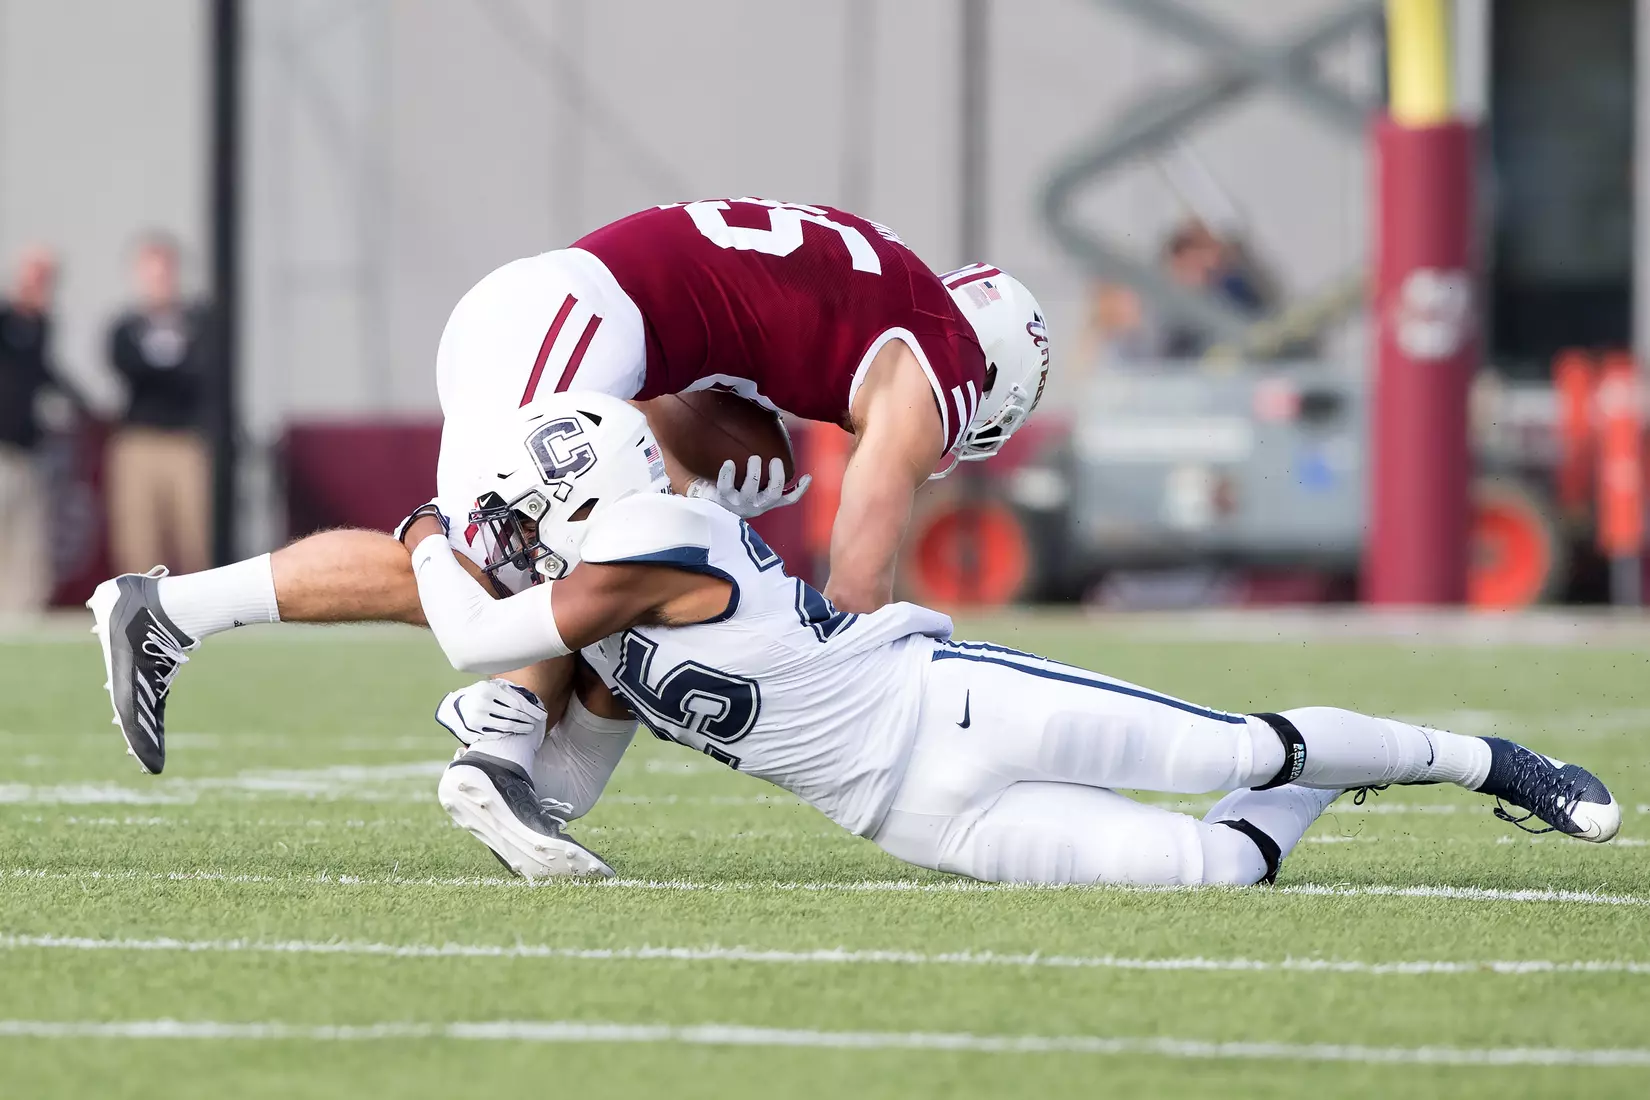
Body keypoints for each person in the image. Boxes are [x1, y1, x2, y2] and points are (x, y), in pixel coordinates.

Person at [394, 394, 1619, 882]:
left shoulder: (658, 533)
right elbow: (578, 781)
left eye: (522, 505)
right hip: (908, 813)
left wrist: (426, 535)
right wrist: (520, 792)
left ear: (588, 488)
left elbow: (463, 633)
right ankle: (1318, 780)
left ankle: (1488, 761)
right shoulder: (601, 606)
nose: (508, 525)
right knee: (1221, 868)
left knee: (1237, 749)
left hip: (942, 703)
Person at [89, 198, 1052, 775]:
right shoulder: (945, 358)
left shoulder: (886, 293)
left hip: (571, 319)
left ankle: (523, 766)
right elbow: (857, 584)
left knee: (614, 557)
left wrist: (713, 494)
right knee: (528, 558)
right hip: (576, 319)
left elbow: (715, 332)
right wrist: (852, 699)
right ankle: (502, 738)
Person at [105, 233, 214, 577]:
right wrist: (167, 368)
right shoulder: (125, 327)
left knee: (197, 533)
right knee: (139, 538)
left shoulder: (199, 323)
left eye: (164, 271)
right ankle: (142, 615)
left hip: (187, 440)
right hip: (140, 439)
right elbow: (129, 369)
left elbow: (201, 372)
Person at [0, 247, 82, 614]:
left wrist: (83, 406)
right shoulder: (6, 321)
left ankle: (21, 612)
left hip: (27, 448)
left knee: (28, 538)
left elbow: (46, 374)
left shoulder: (42, 326)